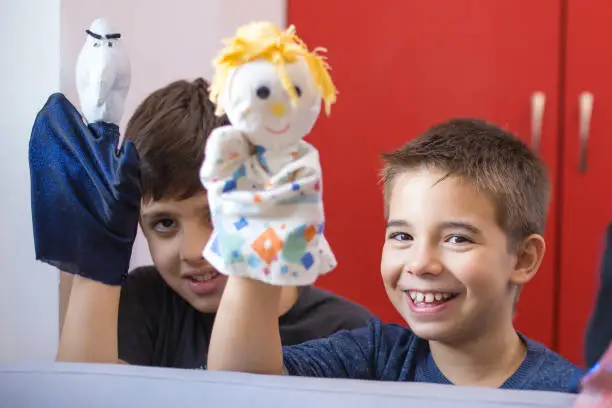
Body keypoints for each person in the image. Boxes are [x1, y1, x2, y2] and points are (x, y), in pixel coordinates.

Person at [207, 118, 585, 391]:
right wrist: (254, 248)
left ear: (523, 258)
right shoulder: (374, 357)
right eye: (402, 235)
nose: (420, 263)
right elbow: (243, 386)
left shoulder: (569, 394)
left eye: (457, 239)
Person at [29, 78, 373, 369]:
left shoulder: (350, 332)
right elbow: (81, 396)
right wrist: (92, 258)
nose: (194, 251)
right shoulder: (141, 303)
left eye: (216, 216)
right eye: (164, 224)